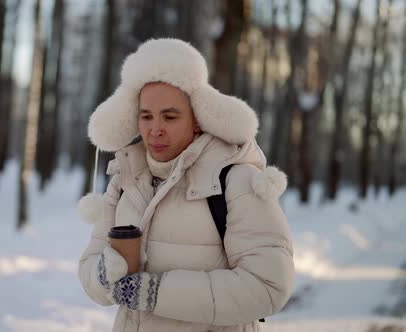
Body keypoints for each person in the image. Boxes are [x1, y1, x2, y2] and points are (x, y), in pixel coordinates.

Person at [77, 38, 294, 332]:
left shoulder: (236, 180)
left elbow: (268, 286)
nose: (155, 129)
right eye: (146, 116)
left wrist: (156, 293)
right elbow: (90, 267)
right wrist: (103, 276)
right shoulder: (126, 179)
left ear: (196, 120)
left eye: (170, 116)